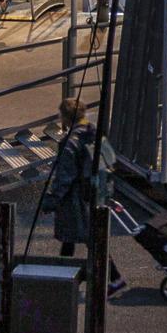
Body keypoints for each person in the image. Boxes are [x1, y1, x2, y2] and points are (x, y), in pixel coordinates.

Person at [39, 97, 125, 296]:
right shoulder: (93, 132)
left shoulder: (71, 142)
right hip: (97, 191)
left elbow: (65, 176)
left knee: (88, 237)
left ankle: (115, 278)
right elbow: (110, 159)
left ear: (65, 117)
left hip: (77, 199)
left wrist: (51, 200)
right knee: (72, 237)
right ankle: (64, 279)